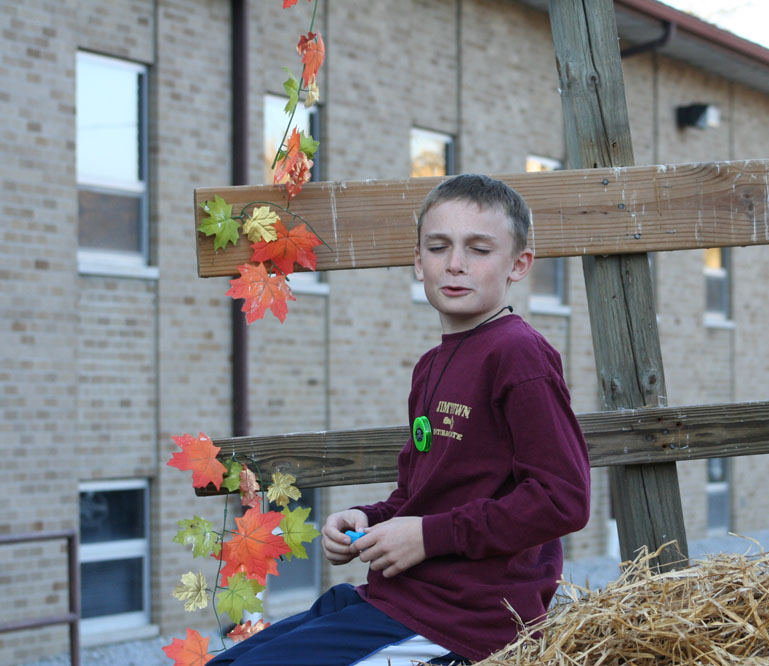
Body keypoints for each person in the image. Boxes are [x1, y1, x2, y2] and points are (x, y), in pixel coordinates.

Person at [210, 174, 592, 664]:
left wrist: (428, 537)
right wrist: (370, 518)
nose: (455, 264)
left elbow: (564, 499)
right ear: (418, 261)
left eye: (479, 249)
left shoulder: (519, 355)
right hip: (396, 599)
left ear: (518, 265)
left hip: (466, 621)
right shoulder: (432, 366)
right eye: (438, 247)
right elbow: (423, 496)